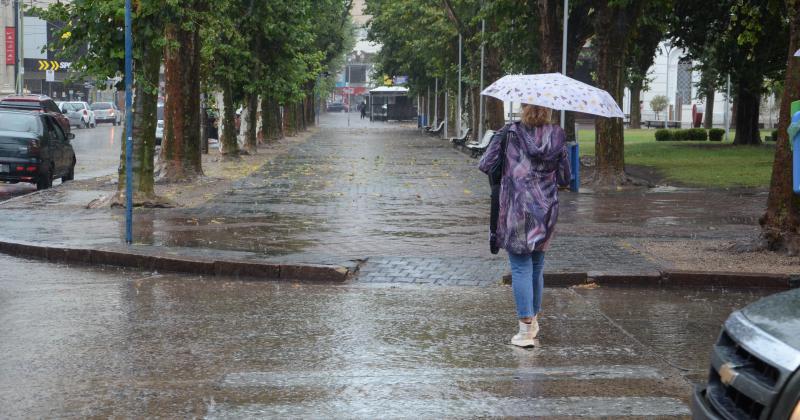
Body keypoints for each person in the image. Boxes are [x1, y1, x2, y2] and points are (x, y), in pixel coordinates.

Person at [478, 104, 571, 348]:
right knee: (537, 266)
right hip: (546, 209)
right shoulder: (558, 135)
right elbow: (564, 178)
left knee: (520, 267)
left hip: (517, 209)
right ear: (549, 110)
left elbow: (486, 164)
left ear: (523, 109)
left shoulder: (509, 133)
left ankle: (525, 331)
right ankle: (534, 322)